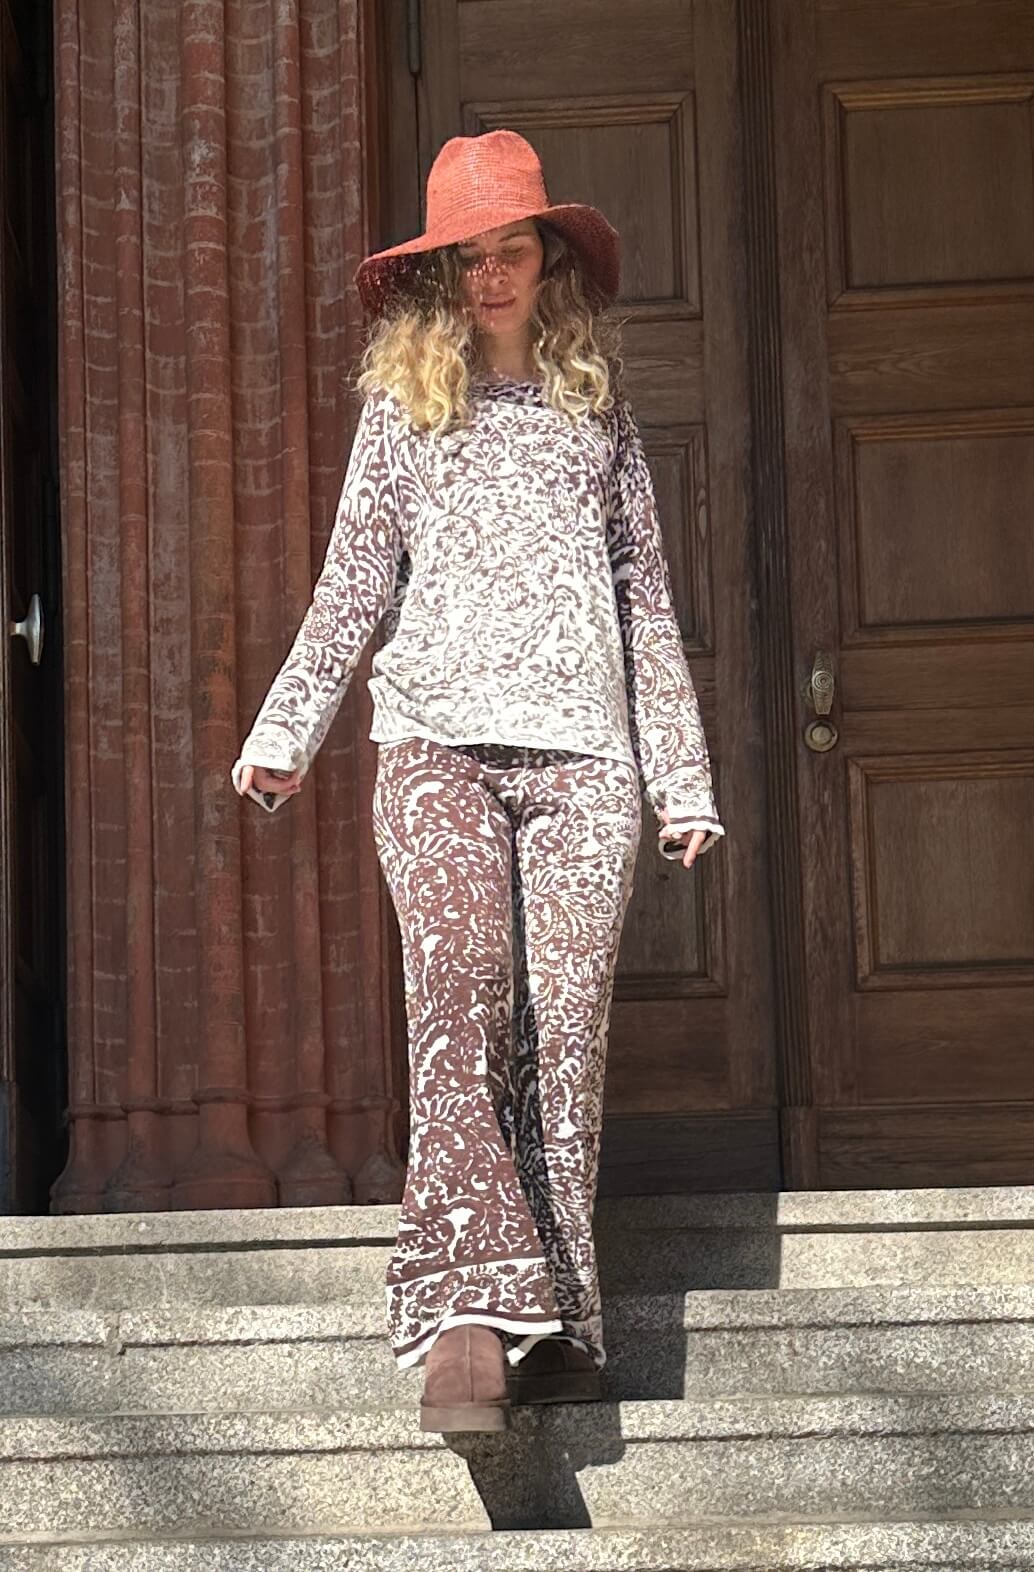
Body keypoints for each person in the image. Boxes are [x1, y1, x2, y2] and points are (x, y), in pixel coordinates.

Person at [231, 128, 725, 1434]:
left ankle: (558, 1323)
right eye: (470, 256)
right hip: (434, 745)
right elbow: (350, 589)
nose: (493, 274)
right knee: (458, 998)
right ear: (440, 274)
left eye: (512, 250)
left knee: (562, 1036)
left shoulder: (595, 416)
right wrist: (286, 730)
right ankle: (462, 1317)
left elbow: (645, 605)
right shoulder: (403, 411)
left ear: (546, 262)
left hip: (584, 761)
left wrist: (680, 779)